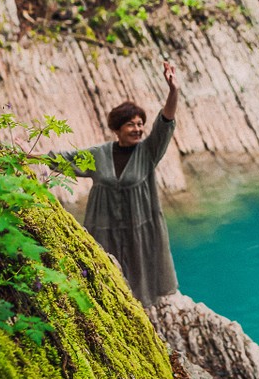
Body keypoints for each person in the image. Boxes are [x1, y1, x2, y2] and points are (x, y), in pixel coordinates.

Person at [52, 61, 180, 306]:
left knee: (140, 292)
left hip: (139, 233)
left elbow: (165, 123)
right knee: (102, 287)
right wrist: (28, 153)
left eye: (140, 124)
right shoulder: (99, 154)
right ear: (117, 129)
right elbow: (64, 159)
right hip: (104, 230)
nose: (138, 129)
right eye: (131, 124)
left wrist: (173, 90)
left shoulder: (148, 152)